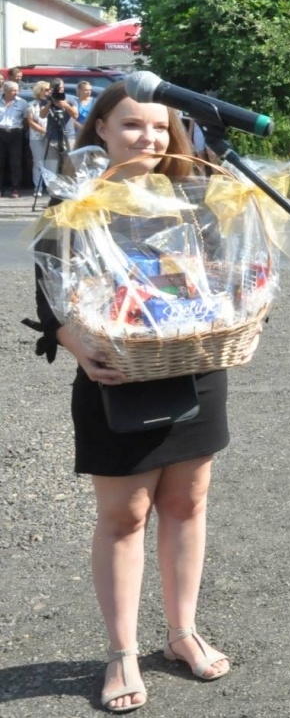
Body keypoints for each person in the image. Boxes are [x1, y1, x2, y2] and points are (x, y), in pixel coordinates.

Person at [27, 82, 231, 713]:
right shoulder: (75, 205)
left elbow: (225, 286)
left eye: (162, 129)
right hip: (115, 376)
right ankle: (121, 652)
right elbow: (49, 301)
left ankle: (182, 633)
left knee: (188, 503)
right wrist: (76, 342)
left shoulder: (195, 205)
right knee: (123, 517)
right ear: (102, 132)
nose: (149, 138)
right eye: (133, 126)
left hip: (193, 368)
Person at [1, 80, 31, 196]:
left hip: (15, 133)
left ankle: (15, 188)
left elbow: (25, 120)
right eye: (13, 90)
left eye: (17, 90)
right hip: (1, 132)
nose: (16, 93)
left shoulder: (22, 102)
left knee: (15, 162)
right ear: (5, 91)